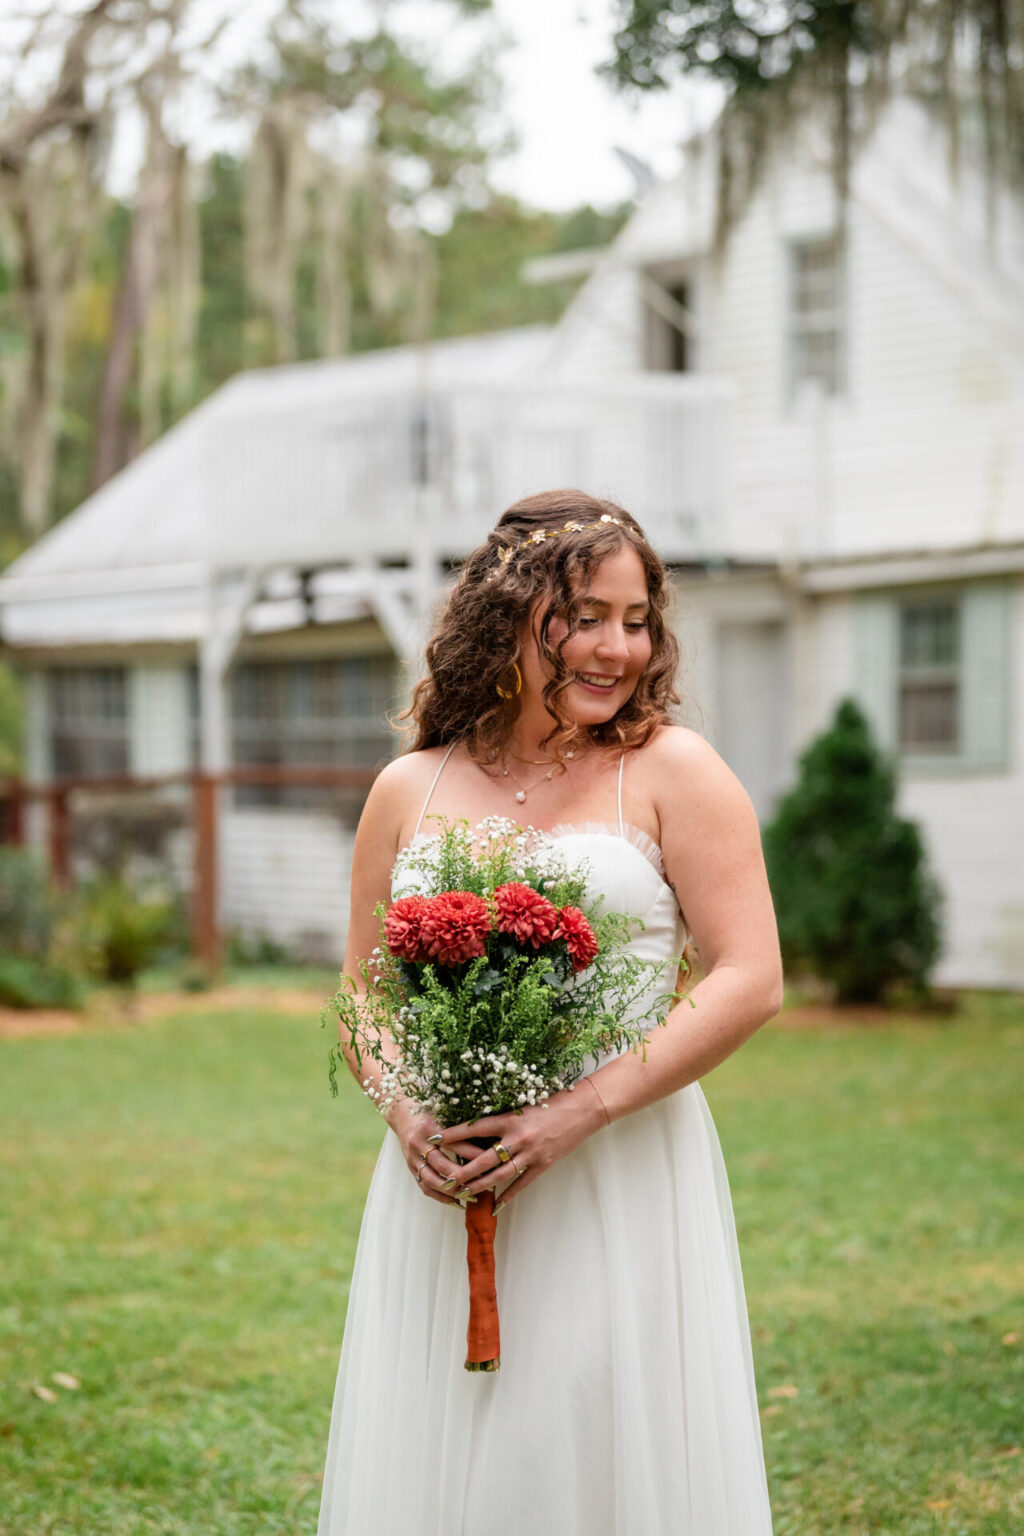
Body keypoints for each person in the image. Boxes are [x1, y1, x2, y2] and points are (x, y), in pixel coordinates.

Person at [317, 489, 783, 1536]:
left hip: (615, 1174)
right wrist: (407, 1116)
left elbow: (751, 974)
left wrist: (577, 1111)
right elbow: (362, 990)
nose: (617, 647)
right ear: (507, 616)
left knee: (572, 1442)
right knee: (454, 1449)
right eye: (582, 616)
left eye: (636, 619)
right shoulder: (409, 787)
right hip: (447, 1181)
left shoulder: (672, 771)